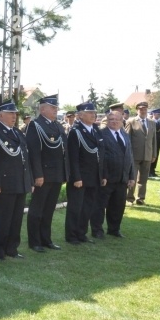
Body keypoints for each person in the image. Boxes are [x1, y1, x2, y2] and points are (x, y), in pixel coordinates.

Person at [0, 101, 32, 260]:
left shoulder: (18, 133)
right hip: (4, 184)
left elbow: (25, 158)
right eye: (11, 113)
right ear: (0, 115)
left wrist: (29, 180)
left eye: (15, 114)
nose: (14, 116)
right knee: (0, 219)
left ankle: (11, 248)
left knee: (16, 218)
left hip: (19, 182)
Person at [24, 94, 66, 253]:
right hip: (43, 175)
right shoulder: (35, 126)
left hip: (56, 174)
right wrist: (38, 175)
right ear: (43, 109)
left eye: (56, 108)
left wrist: (63, 173)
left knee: (49, 209)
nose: (56, 110)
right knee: (37, 209)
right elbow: (33, 152)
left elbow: (62, 150)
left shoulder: (57, 126)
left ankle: (46, 239)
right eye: (53, 108)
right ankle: (34, 241)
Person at [64, 101, 102, 245]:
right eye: (90, 113)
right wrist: (76, 177)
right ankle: (72, 235)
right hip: (80, 177)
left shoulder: (96, 130)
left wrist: (102, 175)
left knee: (87, 207)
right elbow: (73, 157)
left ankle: (81, 233)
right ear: (80, 116)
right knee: (75, 207)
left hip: (93, 176)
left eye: (94, 112)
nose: (93, 115)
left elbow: (100, 154)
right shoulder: (76, 132)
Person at [93, 112, 135, 238]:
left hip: (122, 178)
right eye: (111, 119)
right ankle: (97, 230)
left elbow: (130, 156)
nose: (114, 121)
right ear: (107, 120)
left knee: (118, 206)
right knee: (100, 206)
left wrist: (131, 176)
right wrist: (102, 175)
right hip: (107, 178)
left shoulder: (125, 135)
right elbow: (100, 157)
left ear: (122, 120)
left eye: (117, 119)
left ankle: (114, 229)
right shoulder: (101, 134)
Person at [125, 101, 156, 205]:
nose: (143, 111)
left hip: (147, 154)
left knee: (143, 179)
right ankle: (129, 198)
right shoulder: (131, 121)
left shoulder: (152, 122)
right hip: (134, 155)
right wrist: (128, 154)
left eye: (145, 109)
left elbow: (154, 140)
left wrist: (154, 154)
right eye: (141, 109)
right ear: (137, 110)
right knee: (132, 178)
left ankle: (141, 198)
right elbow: (127, 140)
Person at [148, 108, 160, 177]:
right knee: (151, 156)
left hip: (158, 141)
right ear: (154, 114)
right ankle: (149, 170)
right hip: (153, 141)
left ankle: (153, 170)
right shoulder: (151, 122)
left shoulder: (158, 122)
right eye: (158, 114)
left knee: (156, 155)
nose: (159, 115)